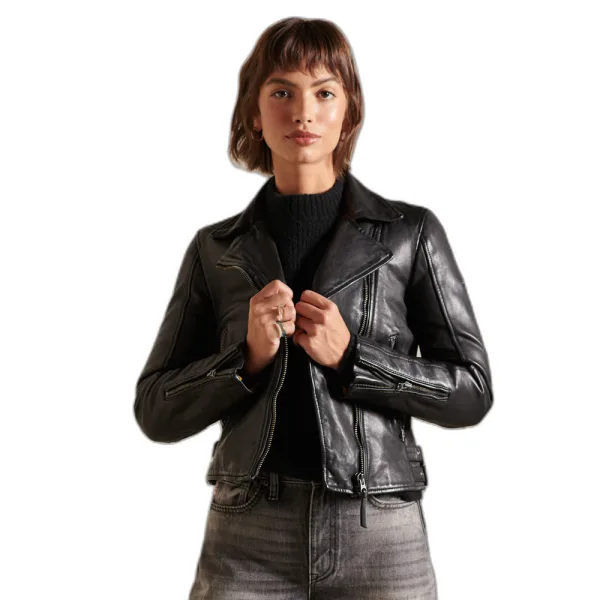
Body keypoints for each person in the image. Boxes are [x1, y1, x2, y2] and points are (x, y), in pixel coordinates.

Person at [133, 16, 494, 600]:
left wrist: (354, 358)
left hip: (378, 527)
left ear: (349, 112)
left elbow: (472, 390)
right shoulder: (216, 249)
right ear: (254, 112)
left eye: (324, 93)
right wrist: (246, 361)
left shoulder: (410, 235)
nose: (303, 112)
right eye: (282, 92)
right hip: (248, 532)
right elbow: (156, 409)